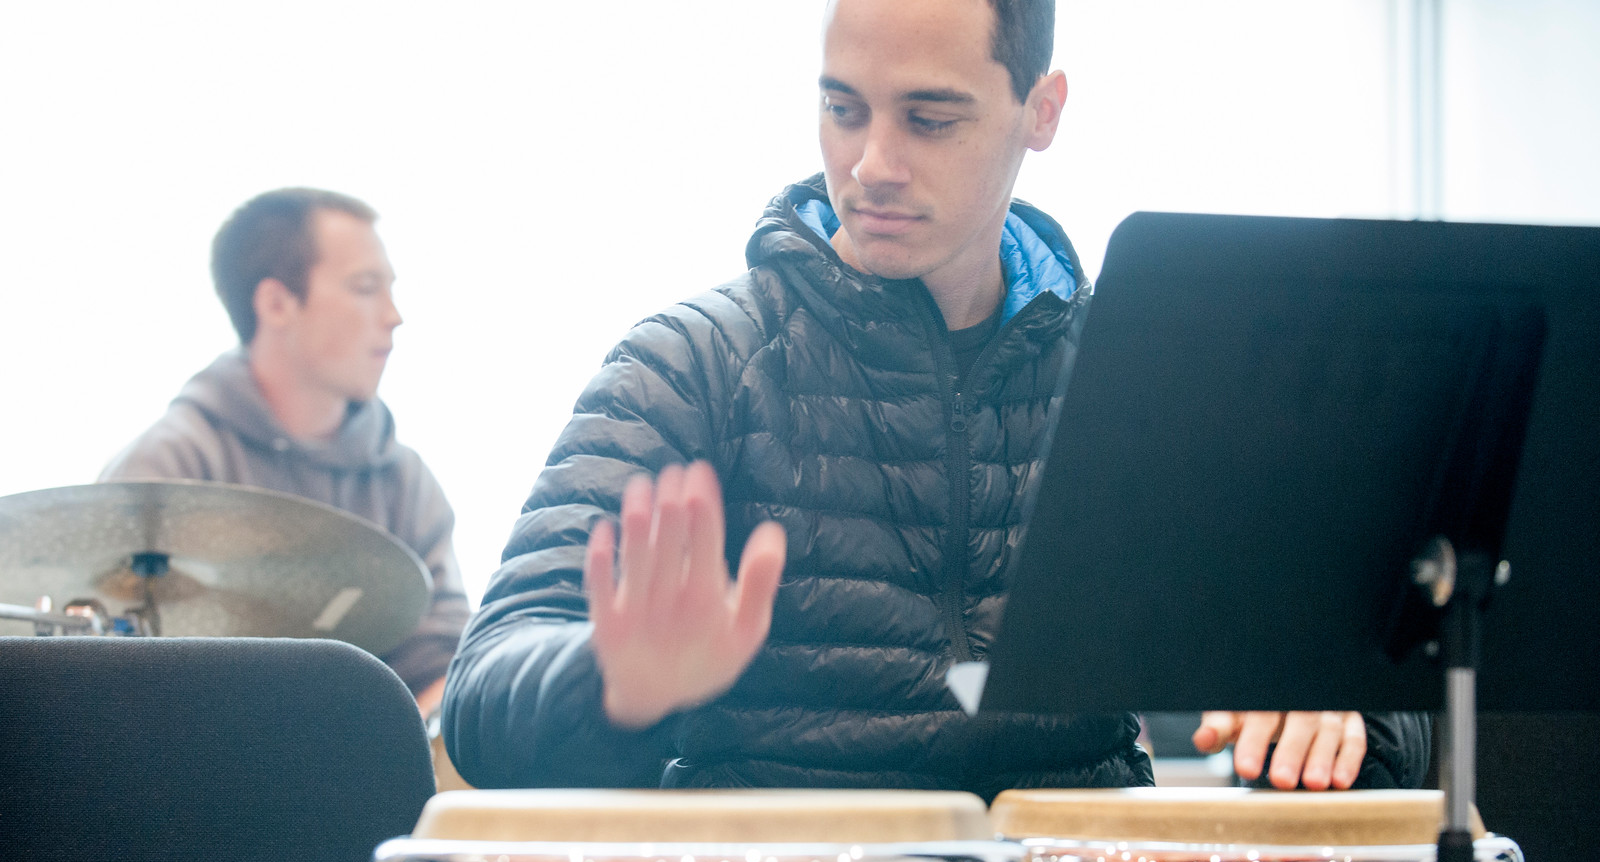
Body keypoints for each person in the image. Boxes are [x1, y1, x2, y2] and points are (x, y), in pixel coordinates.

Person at [440, 0, 1429, 797]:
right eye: (842, 109)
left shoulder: (1140, 378)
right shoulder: (690, 365)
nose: (870, 165)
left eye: (928, 117)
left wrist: (1346, 710)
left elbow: (1401, 672)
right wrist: (609, 681)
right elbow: (480, 699)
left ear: (1041, 111)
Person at [101, 188, 471, 733]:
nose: (394, 317)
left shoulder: (404, 481)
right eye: (366, 289)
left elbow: (441, 664)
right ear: (276, 304)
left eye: (392, 290)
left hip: (373, 794)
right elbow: (113, 681)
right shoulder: (166, 466)